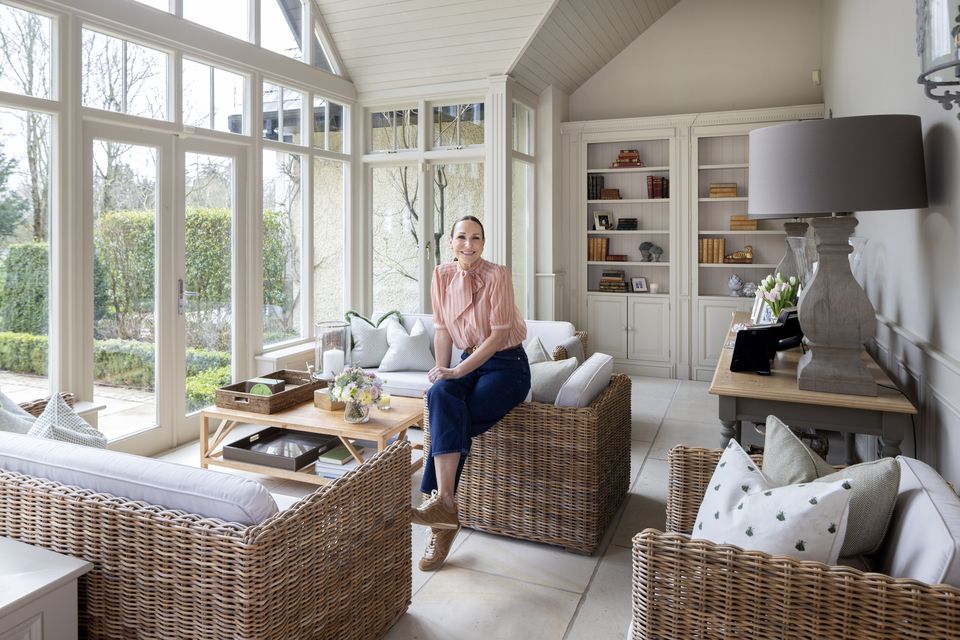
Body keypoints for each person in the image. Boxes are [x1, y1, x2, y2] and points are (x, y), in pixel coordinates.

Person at [411, 215, 531, 571]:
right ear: (451, 242)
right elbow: (442, 329)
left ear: (484, 243)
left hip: (507, 365)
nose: (468, 244)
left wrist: (457, 372)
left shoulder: (498, 275)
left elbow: (498, 335)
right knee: (440, 396)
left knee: (453, 417)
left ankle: (441, 513)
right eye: (461, 237)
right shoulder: (441, 275)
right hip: (468, 360)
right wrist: (443, 374)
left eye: (476, 238)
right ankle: (446, 504)